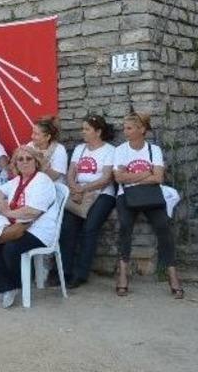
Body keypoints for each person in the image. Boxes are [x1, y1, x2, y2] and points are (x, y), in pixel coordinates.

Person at [113, 112, 183, 299]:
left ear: (142, 129)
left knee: (163, 226)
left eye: (129, 128)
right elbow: (119, 178)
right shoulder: (120, 150)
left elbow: (158, 178)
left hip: (151, 195)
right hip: (126, 195)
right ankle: (123, 274)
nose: (125, 131)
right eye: (125, 128)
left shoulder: (154, 150)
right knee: (125, 226)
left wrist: (131, 177)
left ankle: (172, 275)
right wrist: (146, 173)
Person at [0, 145, 58, 308]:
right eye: (20, 159)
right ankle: (7, 287)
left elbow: (33, 211)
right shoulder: (18, 180)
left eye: (29, 158)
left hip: (40, 230)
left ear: (36, 161)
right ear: (16, 164)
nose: (25, 162)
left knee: (10, 247)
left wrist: (8, 213)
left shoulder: (42, 180)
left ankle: (14, 285)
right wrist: (2, 203)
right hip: (19, 225)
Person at [58, 115, 116, 288]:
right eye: (82, 129)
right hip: (79, 192)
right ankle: (64, 271)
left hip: (102, 194)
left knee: (90, 228)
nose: (82, 132)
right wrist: (74, 187)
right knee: (67, 226)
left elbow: (106, 178)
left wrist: (83, 189)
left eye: (87, 129)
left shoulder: (110, 150)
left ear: (98, 132)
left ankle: (81, 274)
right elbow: (70, 173)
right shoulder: (80, 149)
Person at [27, 117, 68, 184]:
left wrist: (41, 162)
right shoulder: (30, 146)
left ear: (48, 137)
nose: (32, 136)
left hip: (54, 185)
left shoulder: (59, 149)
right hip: (34, 185)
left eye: (36, 134)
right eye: (33, 133)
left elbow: (54, 176)